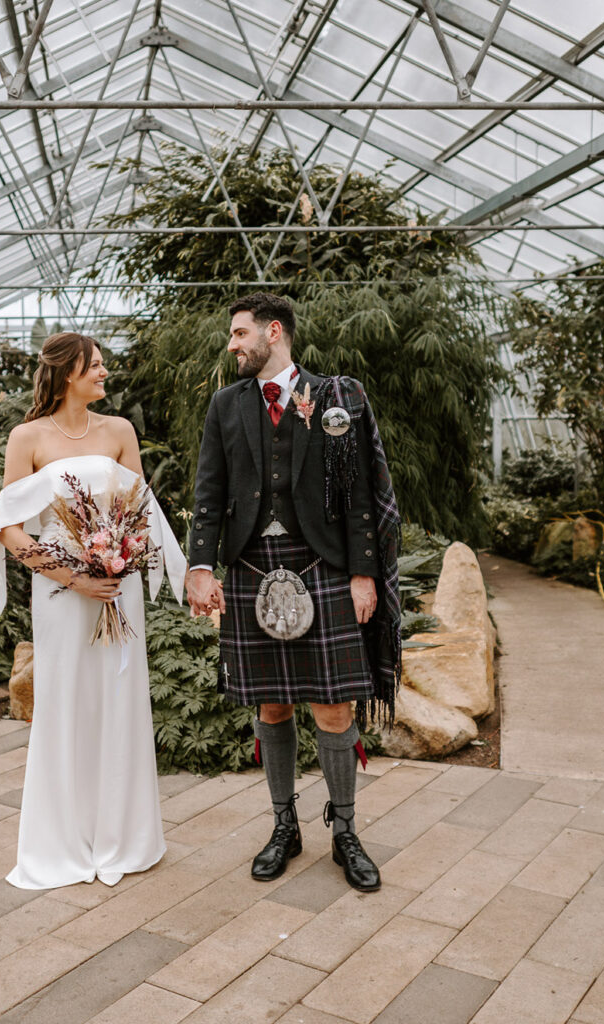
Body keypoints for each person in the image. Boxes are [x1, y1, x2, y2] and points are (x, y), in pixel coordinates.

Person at [185, 293, 401, 893]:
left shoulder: (336, 396)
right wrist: (201, 565)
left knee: (334, 707)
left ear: (272, 332)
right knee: (272, 706)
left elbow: (359, 491)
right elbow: (209, 491)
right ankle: (285, 826)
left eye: (239, 333)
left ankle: (346, 831)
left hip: (324, 567)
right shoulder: (225, 405)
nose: (232, 345)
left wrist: (365, 572)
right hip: (253, 568)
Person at [0, 332, 185, 889]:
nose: (104, 373)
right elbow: (9, 528)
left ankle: (125, 836)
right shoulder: (26, 438)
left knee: (118, 703)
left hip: (119, 588)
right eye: (95, 366)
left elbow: (140, 513)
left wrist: (119, 563)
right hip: (60, 593)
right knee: (66, 703)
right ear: (68, 372)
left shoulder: (119, 431)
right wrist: (72, 576)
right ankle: (64, 840)